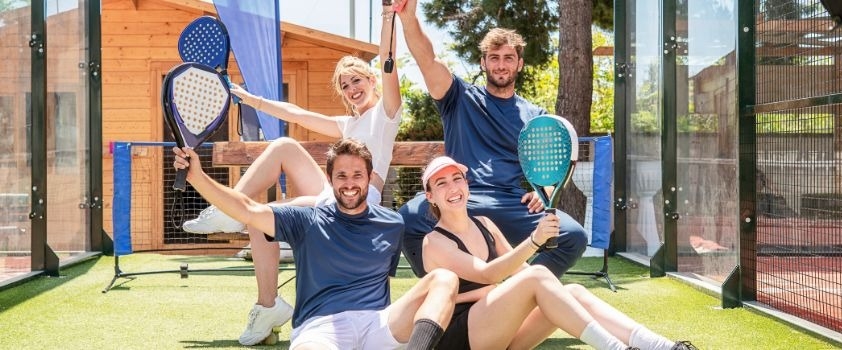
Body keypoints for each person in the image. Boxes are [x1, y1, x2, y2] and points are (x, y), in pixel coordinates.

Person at [181, 3, 404, 345]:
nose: (351, 89)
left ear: (371, 80)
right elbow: (296, 113)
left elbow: (390, 67)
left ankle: (228, 213)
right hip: (332, 195)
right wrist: (249, 98)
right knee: (279, 160)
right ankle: (267, 303)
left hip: (358, 199)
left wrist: (388, 16)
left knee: (260, 213)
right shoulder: (348, 123)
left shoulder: (387, 115)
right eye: (344, 86)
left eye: (356, 80)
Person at [172, 139, 457, 350]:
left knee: (443, 278)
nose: (349, 183)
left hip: (377, 323)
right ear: (330, 180)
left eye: (358, 175)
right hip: (321, 329)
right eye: (341, 176)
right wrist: (197, 176)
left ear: (369, 179)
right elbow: (247, 209)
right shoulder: (305, 218)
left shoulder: (392, 224)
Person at [393, 0, 588, 278]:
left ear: (519, 64)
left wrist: (541, 192)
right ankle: (442, 288)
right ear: (483, 62)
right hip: (460, 198)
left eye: (508, 58)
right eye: (494, 58)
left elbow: (547, 172)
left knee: (573, 235)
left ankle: (521, 292)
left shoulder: (535, 116)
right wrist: (408, 18)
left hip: (511, 205)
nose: (501, 65)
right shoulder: (458, 97)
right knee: (408, 218)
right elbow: (427, 60)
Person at [419, 156, 697, 350]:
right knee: (539, 275)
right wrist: (535, 240)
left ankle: (664, 346)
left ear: (467, 185)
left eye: (457, 179)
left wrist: (541, 291)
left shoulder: (486, 225)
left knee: (572, 291)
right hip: (462, 339)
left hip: (501, 334)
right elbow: (488, 273)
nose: (453, 187)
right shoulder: (434, 242)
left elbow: (524, 275)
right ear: (430, 196)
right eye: (441, 183)